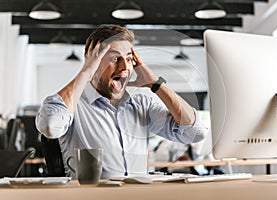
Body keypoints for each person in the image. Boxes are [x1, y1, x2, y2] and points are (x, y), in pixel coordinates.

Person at [35, 25, 208, 179]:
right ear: (92, 62)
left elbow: (195, 132)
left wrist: (155, 84)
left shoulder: (142, 104)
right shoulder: (72, 106)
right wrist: (86, 72)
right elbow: (50, 126)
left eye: (129, 59)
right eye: (115, 58)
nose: (125, 67)